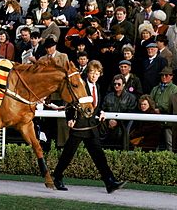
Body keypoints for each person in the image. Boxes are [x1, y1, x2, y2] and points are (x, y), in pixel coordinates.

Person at [52, 60, 126, 193]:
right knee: (68, 154)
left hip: (91, 127)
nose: (94, 76)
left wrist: (101, 112)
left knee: (99, 155)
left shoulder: (97, 87)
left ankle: (109, 182)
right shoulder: (81, 84)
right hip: (79, 125)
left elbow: (93, 107)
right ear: (88, 73)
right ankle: (57, 178)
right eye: (92, 73)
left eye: (97, 73)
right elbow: (70, 102)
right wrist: (70, 119)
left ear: (100, 74)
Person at [102, 74, 137, 149]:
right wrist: (109, 121)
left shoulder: (131, 98)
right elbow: (103, 110)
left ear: (124, 84)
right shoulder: (108, 97)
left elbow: (131, 113)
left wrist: (117, 121)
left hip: (123, 132)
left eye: (119, 84)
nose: (116, 86)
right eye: (115, 84)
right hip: (108, 131)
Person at [150, 66, 177, 152]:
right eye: (162, 75)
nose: (164, 77)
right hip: (156, 121)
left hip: (168, 122)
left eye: (166, 75)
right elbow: (149, 100)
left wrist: (160, 109)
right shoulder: (156, 88)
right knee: (154, 142)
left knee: (169, 142)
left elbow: (173, 104)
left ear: (171, 77)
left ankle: (172, 161)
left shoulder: (174, 88)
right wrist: (154, 109)